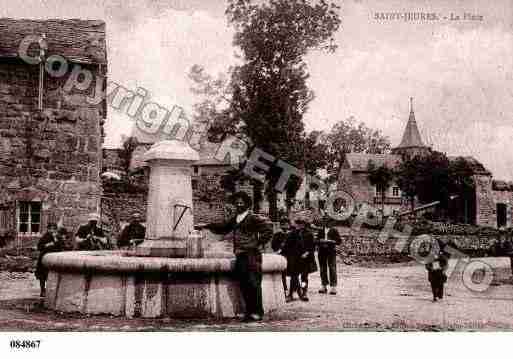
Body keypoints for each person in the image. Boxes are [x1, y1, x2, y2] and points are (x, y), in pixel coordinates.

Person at [199, 191, 273, 321]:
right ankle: (249, 311)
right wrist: (206, 225)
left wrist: (258, 242)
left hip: (251, 254)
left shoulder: (253, 217)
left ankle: (257, 312)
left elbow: (268, 228)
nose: (239, 205)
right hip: (240, 254)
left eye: (241, 202)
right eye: (237, 202)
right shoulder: (235, 218)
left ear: (247, 204)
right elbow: (223, 227)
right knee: (244, 283)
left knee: (253, 283)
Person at [35, 223, 64, 297]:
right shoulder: (45, 237)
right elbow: (39, 247)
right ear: (48, 229)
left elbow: (61, 247)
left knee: (52, 275)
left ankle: (52, 291)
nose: (52, 230)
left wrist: (55, 239)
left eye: (54, 229)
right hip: (44, 257)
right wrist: (46, 245)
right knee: (42, 275)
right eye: (50, 229)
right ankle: (42, 290)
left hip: (54, 257)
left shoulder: (58, 237)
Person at [316, 215, 342, 295]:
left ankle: (333, 287)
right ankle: (324, 285)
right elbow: (316, 240)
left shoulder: (334, 230)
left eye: (328, 221)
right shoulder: (321, 230)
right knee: (323, 268)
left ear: (331, 222)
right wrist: (320, 241)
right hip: (322, 251)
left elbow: (339, 241)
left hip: (331, 251)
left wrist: (331, 241)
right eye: (325, 221)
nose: (326, 223)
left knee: (332, 268)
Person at [293, 219, 317, 302]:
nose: (299, 226)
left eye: (300, 224)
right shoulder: (294, 233)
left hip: (305, 259)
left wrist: (306, 253)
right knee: (294, 276)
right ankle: (297, 291)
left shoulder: (309, 234)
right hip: (296, 258)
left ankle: (304, 292)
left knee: (304, 277)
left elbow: (312, 247)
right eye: (297, 224)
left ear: (304, 224)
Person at [281, 221, 304, 302]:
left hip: (293, 258)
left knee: (294, 276)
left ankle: (293, 294)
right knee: (295, 276)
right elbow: (301, 246)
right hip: (295, 258)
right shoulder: (297, 234)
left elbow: (285, 246)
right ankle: (298, 293)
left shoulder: (292, 234)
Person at [271, 217, 290, 296]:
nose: (285, 226)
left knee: (294, 274)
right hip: (282, 256)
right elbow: (273, 245)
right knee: (283, 274)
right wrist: (279, 249)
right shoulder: (277, 235)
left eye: (286, 224)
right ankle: (284, 290)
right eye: (283, 224)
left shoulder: (291, 234)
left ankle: (294, 291)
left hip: (290, 256)